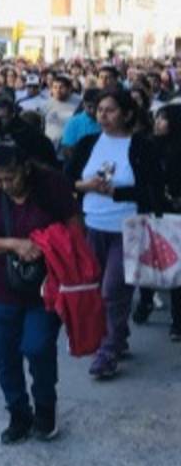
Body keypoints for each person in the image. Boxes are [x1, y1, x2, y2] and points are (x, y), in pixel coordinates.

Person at [0, 144, 75, 444]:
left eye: (10, 177)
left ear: (26, 168)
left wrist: (47, 245)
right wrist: (14, 245)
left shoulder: (52, 186)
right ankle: (18, 413)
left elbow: (75, 231)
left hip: (46, 286)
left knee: (38, 347)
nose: (5, 184)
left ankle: (45, 409)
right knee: (5, 356)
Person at [66, 88, 166, 379]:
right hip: (92, 225)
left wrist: (116, 191)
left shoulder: (141, 146)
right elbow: (66, 177)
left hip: (128, 228)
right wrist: (85, 186)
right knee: (97, 289)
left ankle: (107, 350)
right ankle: (118, 337)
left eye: (110, 110)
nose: (104, 116)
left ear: (126, 113)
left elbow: (154, 189)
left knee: (113, 289)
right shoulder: (88, 143)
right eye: (100, 110)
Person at [132, 104, 181, 333]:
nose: (159, 123)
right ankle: (146, 301)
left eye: (164, 119)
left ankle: (178, 319)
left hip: (175, 212)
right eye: (157, 118)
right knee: (149, 263)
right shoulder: (148, 144)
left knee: (176, 267)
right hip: (149, 209)